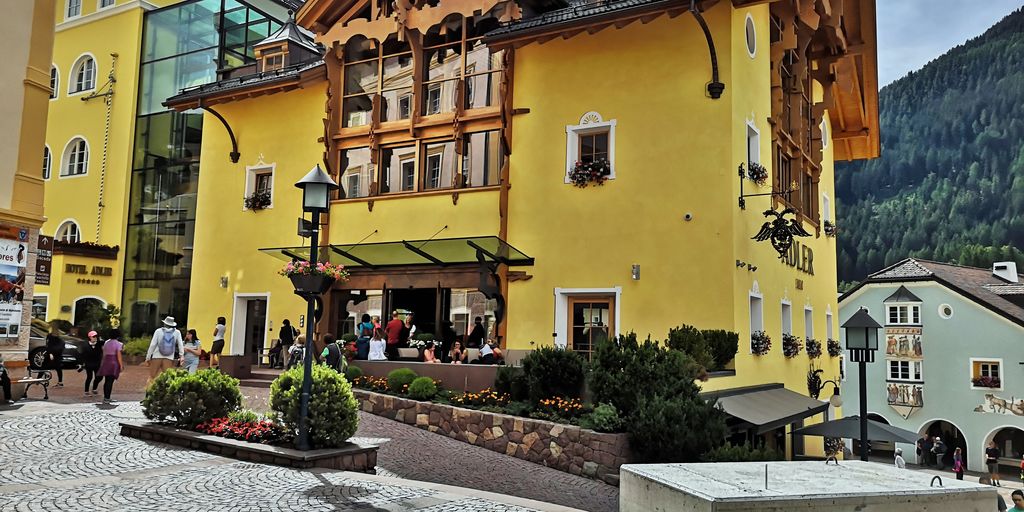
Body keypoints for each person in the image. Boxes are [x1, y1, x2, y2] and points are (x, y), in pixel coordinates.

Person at [146, 316, 184, 381]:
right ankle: (165, 388)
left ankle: (150, 387)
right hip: (169, 357)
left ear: (164, 323)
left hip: (157, 356)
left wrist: (148, 357)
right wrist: (181, 356)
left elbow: (153, 345)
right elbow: (180, 345)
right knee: (167, 378)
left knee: (152, 376)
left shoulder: (158, 331)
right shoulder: (177, 332)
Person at [97, 330, 124, 404]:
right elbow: (119, 355)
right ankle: (107, 398)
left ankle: (106, 397)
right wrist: (121, 365)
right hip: (113, 362)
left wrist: (102, 362)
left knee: (107, 380)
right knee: (110, 381)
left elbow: (104, 353)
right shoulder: (118, 344)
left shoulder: (106, 342)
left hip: (107, 361)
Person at [82, 330, 103, 397]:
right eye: (93, 336)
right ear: (90, 337)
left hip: (97, 363)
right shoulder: (86, 345)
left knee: (99, 377)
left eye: (96, 336)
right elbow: (83, 355)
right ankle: (86, 391)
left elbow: (103, 343)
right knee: (89, 377)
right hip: (89, 364)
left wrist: (99, 339)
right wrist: (82, 363)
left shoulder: (99, 344)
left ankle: (94, 388)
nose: (95, 338)